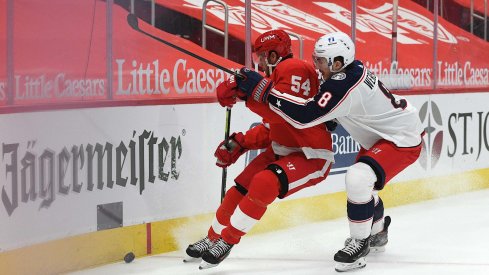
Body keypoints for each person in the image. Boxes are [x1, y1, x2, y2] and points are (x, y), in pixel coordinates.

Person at [230, 31, 424, 272]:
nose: (316, 65)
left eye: (320, 60)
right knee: (364, 185)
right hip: (385, 134)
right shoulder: (347, 74)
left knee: (358, 178)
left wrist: (264, 91)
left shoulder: (344, 84)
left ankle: (359, 243)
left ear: (338, 62)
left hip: (400, 139)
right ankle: (377, 231)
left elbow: (304, 116)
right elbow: (329, 104)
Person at [183, 29, 335, 270]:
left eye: (263, 56)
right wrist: (240, 143)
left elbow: (286, 114)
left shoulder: (294, 68)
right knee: (239, 188)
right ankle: (212, 237)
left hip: (312, 155)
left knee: (265, 181)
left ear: (275, 55)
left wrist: (247, 95)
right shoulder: (278, 76)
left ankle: (227, 239)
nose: (260, 62)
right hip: (282, 149)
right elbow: (271, 125)